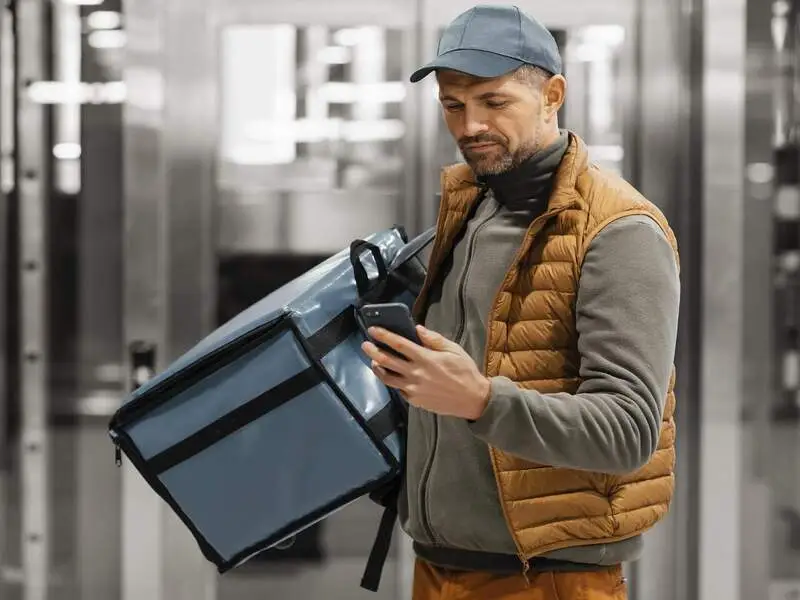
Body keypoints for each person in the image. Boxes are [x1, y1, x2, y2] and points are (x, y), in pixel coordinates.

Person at [361, 4, 681, 600]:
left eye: (494, 102)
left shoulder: (619, 230)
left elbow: (628, 432)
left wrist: (479, 399)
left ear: (552, 94)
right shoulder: (472, 208)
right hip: (438, 563)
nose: (469, 125)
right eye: (453, 105)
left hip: (546, 577)